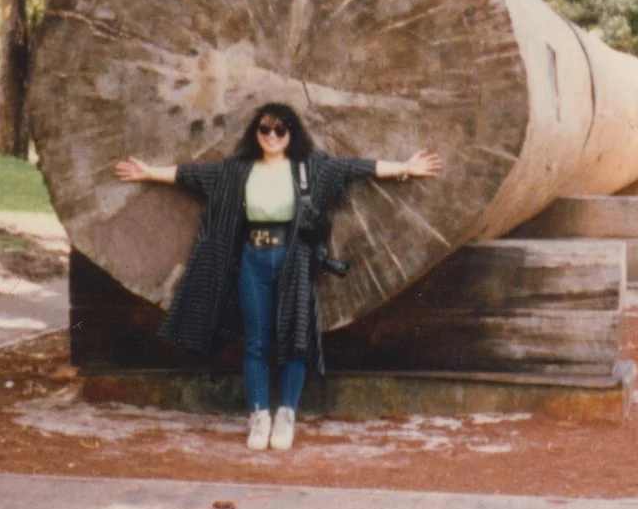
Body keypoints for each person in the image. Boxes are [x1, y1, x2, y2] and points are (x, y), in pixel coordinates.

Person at [114, 103, 441, 451]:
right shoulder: (238, 171)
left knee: (294, 338)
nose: (271, 137)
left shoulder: (310, 169)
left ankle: (286, 414)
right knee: (256, 340)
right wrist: (149, 172)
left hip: (293, 259)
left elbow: (357, 168)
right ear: (255, 134)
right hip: (252, 258)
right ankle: (259, 415)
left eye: (280, 130)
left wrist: (405, 168)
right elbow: (194, 175)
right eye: (264, 130)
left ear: (291, 134)